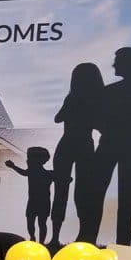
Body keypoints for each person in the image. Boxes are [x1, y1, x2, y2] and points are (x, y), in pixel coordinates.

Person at [83, 47, 131, 245]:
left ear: (128, 63)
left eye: (117, 61)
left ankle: (106, 242)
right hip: (119, 149)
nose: (114, 65)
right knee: (104, 196)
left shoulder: (112, 92)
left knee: (108, 196)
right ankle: (109, 242)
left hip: (118, 148)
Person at [51, 63, 104, 246]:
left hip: (68, 145)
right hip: (83, 146)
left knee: (63, 192)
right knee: (81, 192)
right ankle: (75, 235)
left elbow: (58, 118)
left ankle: (57, 237)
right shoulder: (94, 100)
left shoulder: (73, 97)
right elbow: (100, 125)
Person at [5, 147, 55, 243]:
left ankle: (40, 242)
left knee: (41, 222)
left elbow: (23, 172)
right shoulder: (35, 172)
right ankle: (33, 238)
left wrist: (13, 166)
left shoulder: (47, 174)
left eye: (30, 159)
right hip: (34, 201)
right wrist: (13, 166)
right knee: (32, 221)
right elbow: (23, 172)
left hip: (42, 202)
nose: (27, 161)